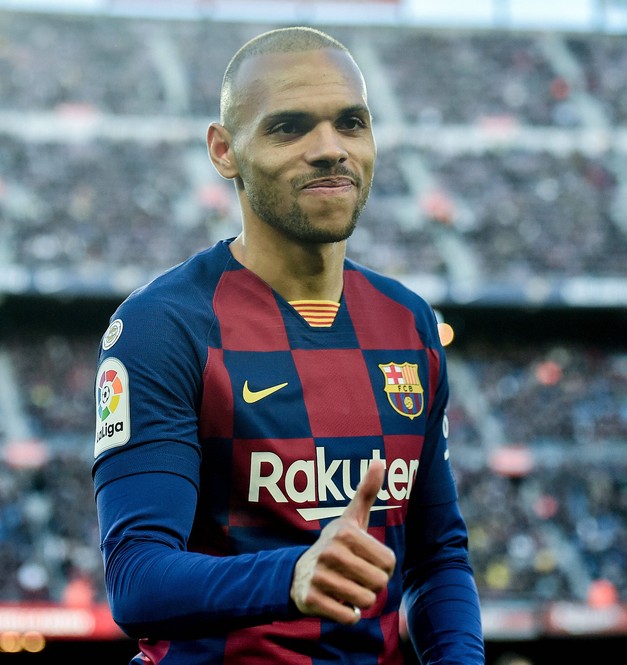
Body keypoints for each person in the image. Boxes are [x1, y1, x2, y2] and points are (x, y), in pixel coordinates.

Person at [92, 26, 485, 664]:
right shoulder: (164, 326)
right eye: (289, 127)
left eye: (351, 123)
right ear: (224, 151)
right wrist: (292, 575)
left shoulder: (409, 323)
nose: (330, 149)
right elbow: (136, 579)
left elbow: (438, 557)